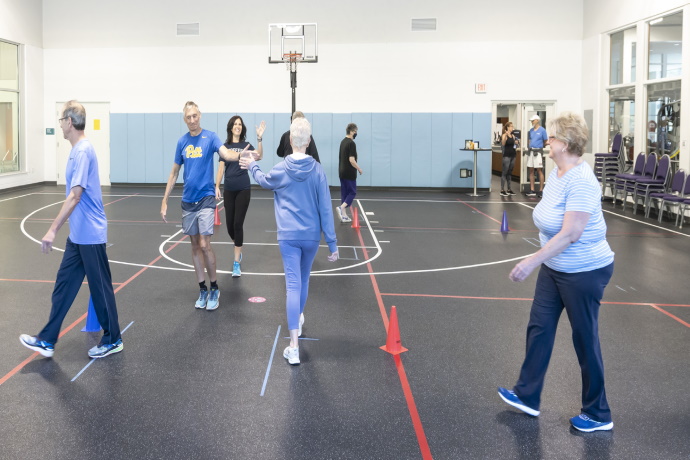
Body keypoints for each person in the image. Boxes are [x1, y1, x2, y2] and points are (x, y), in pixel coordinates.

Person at [498, 112, 616, 433]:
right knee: (539, 328)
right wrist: (543, 259)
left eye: (551, 138)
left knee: (584, 339)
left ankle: (598, 413)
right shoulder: (558, 173)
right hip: (555, 267)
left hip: (585, 270)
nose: (546, 142)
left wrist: (531, 260)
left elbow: (570, 234)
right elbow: (549, 221)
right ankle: (527, 395)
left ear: (564, 144)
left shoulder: (582, 181)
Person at [20, 101, 123, 359]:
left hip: (90, 234)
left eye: (60, 120)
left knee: (100, 289)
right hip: (78, 236)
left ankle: (113, 339)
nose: (60, 126)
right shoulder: (77, 150)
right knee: (64, 286)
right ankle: (47, 339)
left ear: (69, 122)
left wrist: (53, 229)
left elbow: (75, 196)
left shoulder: (83, 151)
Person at [240, 117, 338, 365]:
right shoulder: (317, 170)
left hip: (289, 236)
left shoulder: (282, 169)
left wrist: (252, 164)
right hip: (311, 236)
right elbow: (326, 208)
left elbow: (262, 180)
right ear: (309, 140)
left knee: (293, 285)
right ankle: (299, 317)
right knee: (303, 281)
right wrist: (333, 243)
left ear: (290, 139)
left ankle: (293, 346)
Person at [161, 101, 243, 311]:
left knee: (205, 244)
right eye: (188, 117)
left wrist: (243, 155)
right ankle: (202, 289)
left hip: (206, 198)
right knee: (195, 245)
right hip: (188, 201)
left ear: (200, 115)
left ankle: (214, 287)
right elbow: (174, 172)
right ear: (184, 119)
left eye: (195, 116)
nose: (192, 120)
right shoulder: (182, 142)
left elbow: (225, 154)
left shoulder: (211, 137)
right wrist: (165, 199)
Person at [215, 115, 266, 277]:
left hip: (243, 188)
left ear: (242, 128)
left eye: (240, 124)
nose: (238, 126)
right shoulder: (225, 146)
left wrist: (259, 138)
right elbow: (221, 168)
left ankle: (236, 262)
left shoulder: (246, 145)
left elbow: (260, 156)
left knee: (238, 224)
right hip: (229, 190)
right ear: (231, 127)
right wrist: (217, 186)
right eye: (235, 124)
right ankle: (238, 246)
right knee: (230, 226)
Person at [336, 123, 363, 223]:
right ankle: (341, 207)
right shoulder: (351, 143)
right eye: (355, 131)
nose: (356, 133)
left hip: (342, 171)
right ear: (351, 131)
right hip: (349, 172)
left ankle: (344, 215)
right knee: (352, 192)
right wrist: (359, 169)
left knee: (345, 193)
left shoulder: (343, 142)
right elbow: (351, 160)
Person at [526, 114, 549, 197]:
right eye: (531, 121)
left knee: (539, 170)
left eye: (533, 120)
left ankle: (541, 190)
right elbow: (529, 141)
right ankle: (532, 189)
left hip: (538, 152)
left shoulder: (542, 130)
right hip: (531, 151)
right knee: (531, 171)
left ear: (537, 120)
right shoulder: (531, 130)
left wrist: (540, 146)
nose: (532, 122)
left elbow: (545, 141)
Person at [500, 122, 519, 196]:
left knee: (510, 172)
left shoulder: (513, 136)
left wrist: (517, 143)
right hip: (506, 155)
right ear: (507, 127)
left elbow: (515, 145)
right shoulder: (504, 135)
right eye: (510, 126)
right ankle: (502, 189)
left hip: (513, 155)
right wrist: (506, 136)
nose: (512, 128)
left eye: (512, 126)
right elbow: (503, 144)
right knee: (505, 172)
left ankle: (509, 189)